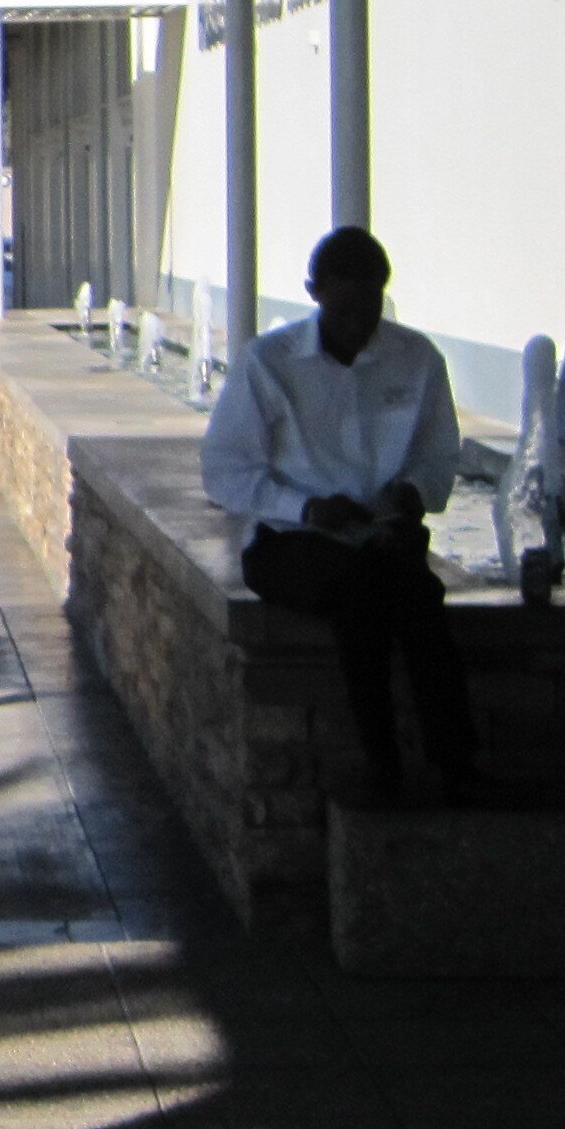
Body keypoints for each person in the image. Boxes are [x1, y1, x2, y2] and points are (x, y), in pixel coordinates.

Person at [202, 225, 479, 805]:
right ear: (315, 292)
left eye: (371, 304)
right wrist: (304, 506)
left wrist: (411, 493)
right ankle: (385, 767)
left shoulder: (416, 358)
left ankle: (455, 766)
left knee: (419, 601)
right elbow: (224, 472)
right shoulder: (269, 363)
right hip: (290, 541)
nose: (358, 322)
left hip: (379, 534)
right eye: (344, 306)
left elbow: (438, 453)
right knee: (364, 595)